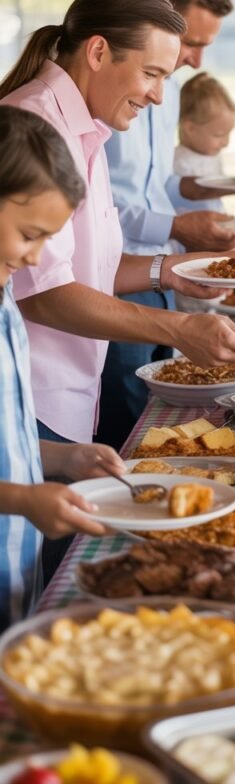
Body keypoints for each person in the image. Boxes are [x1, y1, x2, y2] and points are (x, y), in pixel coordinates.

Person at [0, 0, 235, 451]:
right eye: (152, 74)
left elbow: (88, 268)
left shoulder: (84, 127)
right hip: (35, 399)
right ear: (98, 53)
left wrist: (170, 271)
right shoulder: (38, 126)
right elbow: (41, 292)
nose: (160, 95)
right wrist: (179, 328)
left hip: (67, 397)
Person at [100, 0, 235, 446]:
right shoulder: (111, 93)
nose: (197, 60)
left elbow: (151, 183)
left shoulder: (169, 91)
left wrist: (196, 192)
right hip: (115, 280)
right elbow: (104, 206)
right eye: (193, 43)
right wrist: (179, 228)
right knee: (126, 424)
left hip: (156, 271)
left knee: (162, 417)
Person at [0, 106, 126, 629]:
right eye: (29, 234)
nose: (35, 259)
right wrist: (24, 498)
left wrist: (60, 458)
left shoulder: (6, 299)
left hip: (13, 577)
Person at [172, 73, 235, 313]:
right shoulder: (178, 162)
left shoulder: (213, 158)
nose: (226, 143)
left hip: (214, 243)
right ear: (189, 127)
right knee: (194, 304)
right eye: (219, 135)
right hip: (188, 250)